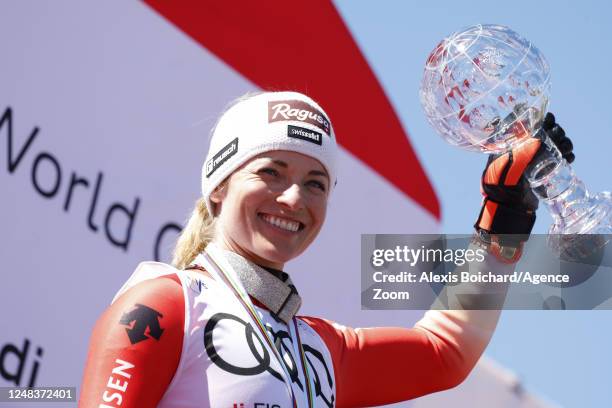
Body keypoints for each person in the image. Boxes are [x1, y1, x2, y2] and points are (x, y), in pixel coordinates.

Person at [79, 91, 574, 407]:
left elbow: (446, 352)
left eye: (316, 183)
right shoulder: (167, 304)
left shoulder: (316, 350)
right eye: (270, 172)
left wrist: (504, 217)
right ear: (218, 186)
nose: (294, 198)